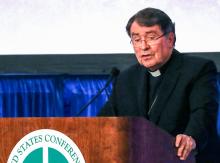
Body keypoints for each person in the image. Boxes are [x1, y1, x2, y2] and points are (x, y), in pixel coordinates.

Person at [98, 7, 219, 161]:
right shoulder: (126, 79)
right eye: (136, 39)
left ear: (170, 39)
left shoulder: (197, 70)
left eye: (151, 37)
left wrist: (190, 137)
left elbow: (203, 113)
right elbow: (105, 122)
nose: (143, 46)